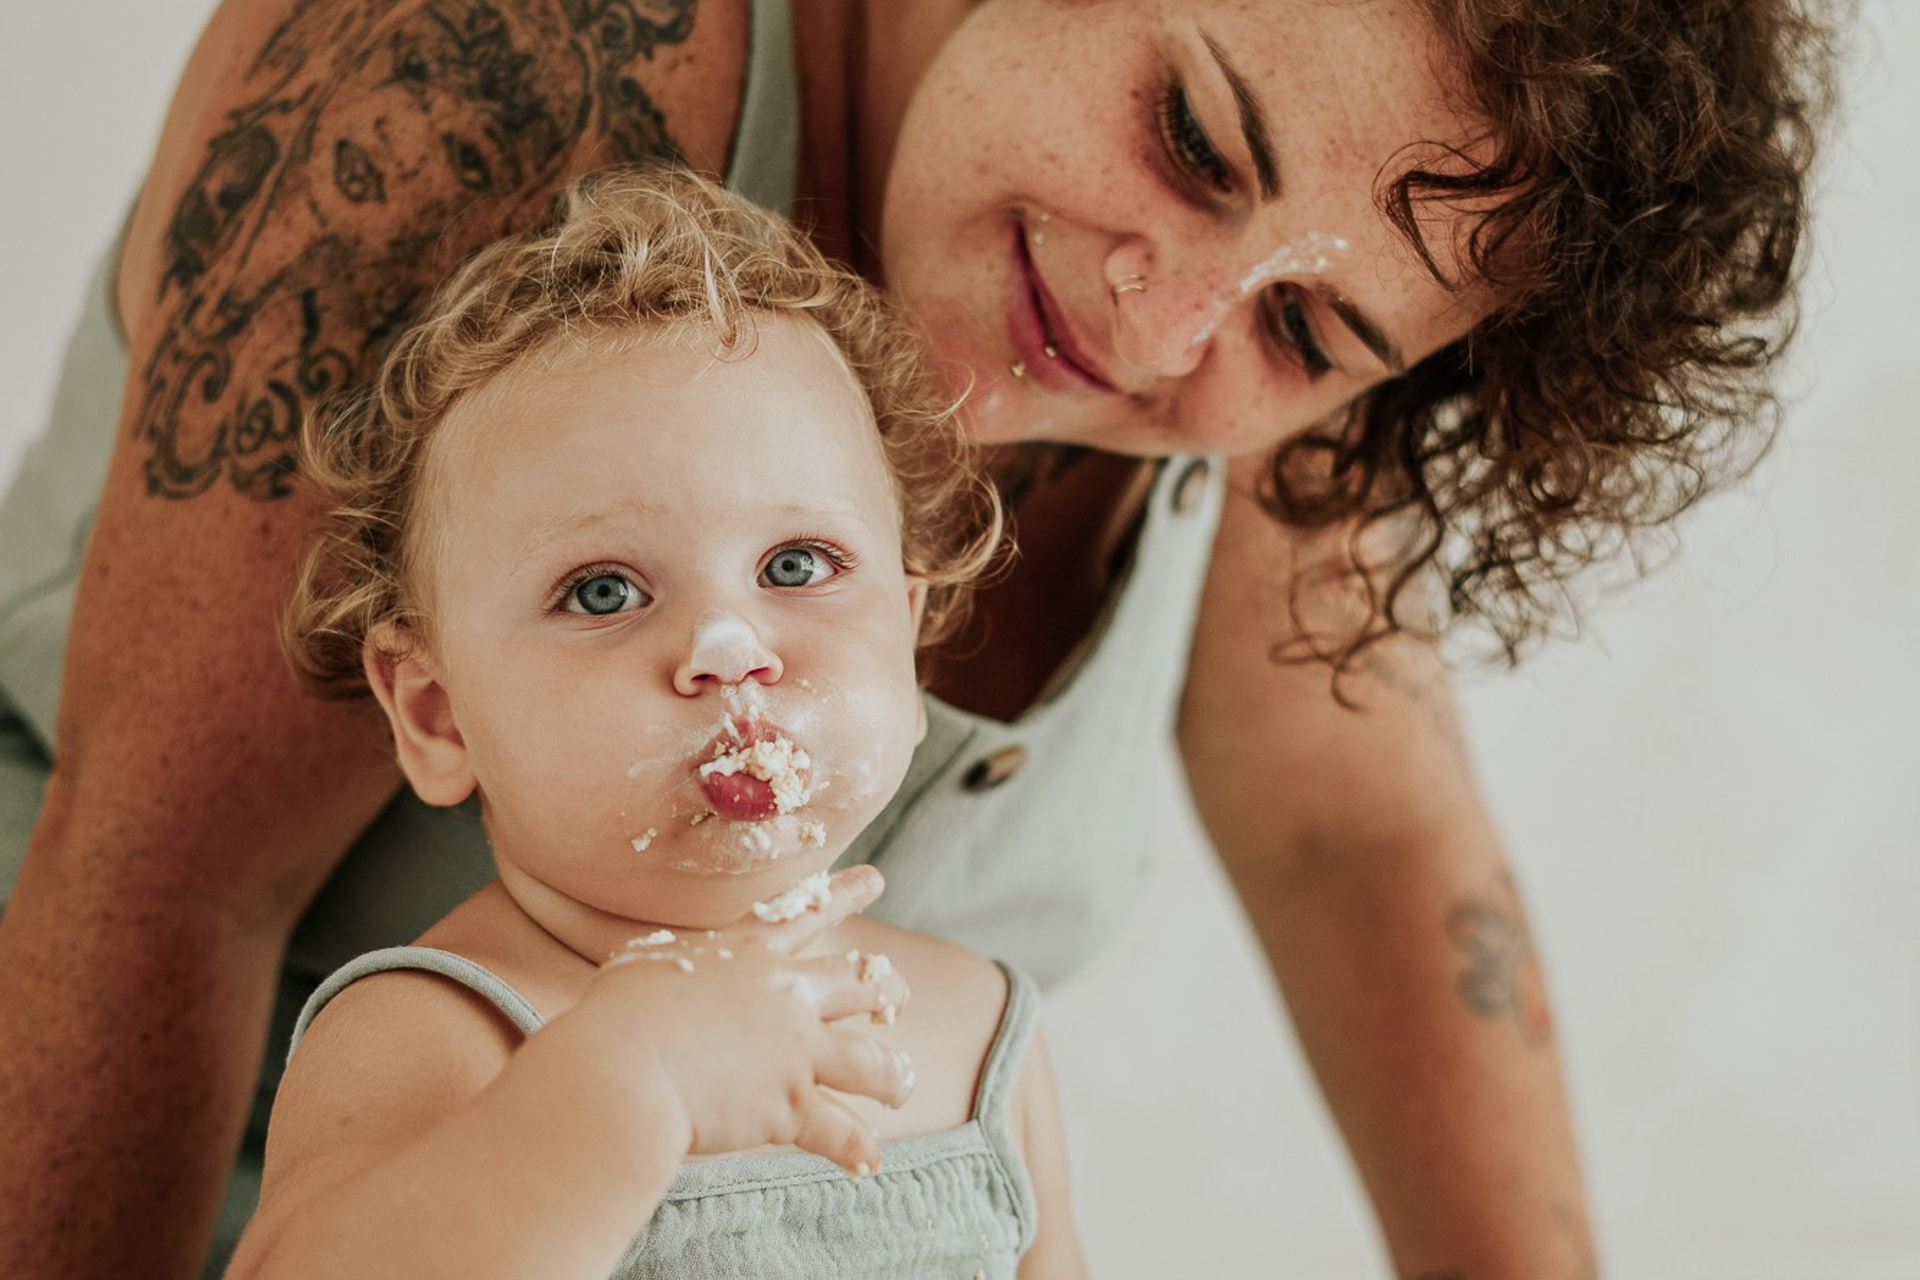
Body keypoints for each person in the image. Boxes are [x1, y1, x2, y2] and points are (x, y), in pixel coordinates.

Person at [0, 2, 1835, 1277]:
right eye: (1191, 137)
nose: (1162, 327)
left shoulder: (1300, 294)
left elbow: (1360, 835)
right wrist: (620, 1090)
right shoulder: (508, 64)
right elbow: (158, 886)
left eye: (1308, 339)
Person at [219, 163, 1083, 1280]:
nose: (730, 648)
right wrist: (628, 1082)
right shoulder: (437, 1031)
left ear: (909, 647)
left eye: (798, 564)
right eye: (604, 591)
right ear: (439, 715)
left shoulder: (982, 1027)